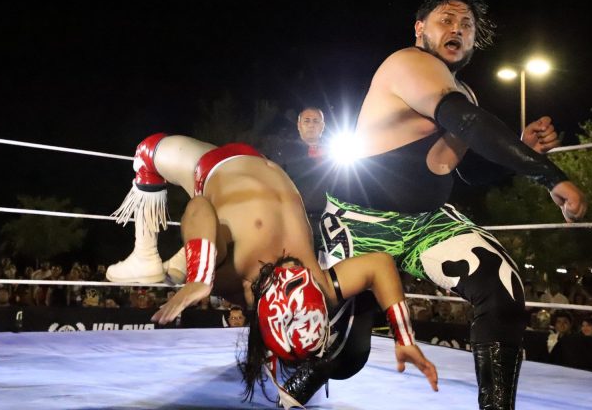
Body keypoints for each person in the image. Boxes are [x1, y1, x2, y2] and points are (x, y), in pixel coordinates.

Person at [321, 0, 588, 410]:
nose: (457, 30)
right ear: (419, 28)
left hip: (426, 221)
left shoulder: (463, 91)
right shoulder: (407, 63)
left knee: (501, 285)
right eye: (446, 20)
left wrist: (520, 147)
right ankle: (294, 380)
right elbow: (467, 122)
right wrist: (548, 174)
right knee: (342, 355)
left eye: (466, 25)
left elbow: (458, 170)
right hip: (362, 221)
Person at [107, 133, 437, 406]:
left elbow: (199, 207)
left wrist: (202, 277)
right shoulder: (299, 283)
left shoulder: (265, 279)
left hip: (236, 169)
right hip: (237, 166)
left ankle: (160, 260)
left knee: (154, 160)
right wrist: (405, 339)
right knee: (154, 163)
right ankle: (161, 259)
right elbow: (380, 265)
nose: (292, 265)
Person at [272, 107, 330, 253]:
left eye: (316, 121)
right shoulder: (285, 151)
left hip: (330, 221)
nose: (311, 125)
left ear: (323, 126)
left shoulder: (335, 151)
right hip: (297, 221)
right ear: (299, 125)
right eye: (307, 121)